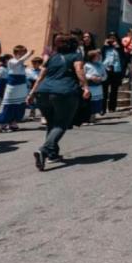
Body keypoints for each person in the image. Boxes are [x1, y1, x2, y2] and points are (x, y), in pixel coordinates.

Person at [26, 33, 89, 170]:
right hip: (64, 92)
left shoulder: (52, 58)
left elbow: (41, 76)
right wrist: (85, 87)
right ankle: (44, 150)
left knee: (51, 123)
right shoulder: (76, 56)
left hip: (43, 92)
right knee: (61, 123)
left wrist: (32, 93)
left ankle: (52, 154)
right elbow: (79, 70)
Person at [0, 45, 34, 132]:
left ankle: (13, 123)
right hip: (13, 86)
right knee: (9, 105)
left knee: (20, 104)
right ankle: (3, 124)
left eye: (24, 52)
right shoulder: (11, 61)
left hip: (21, 86)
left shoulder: (21, 63)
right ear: (17, 53)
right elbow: (18, 62)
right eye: (22, 52)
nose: (24, 54)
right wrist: (29, 54)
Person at [101, 33, 125, 114]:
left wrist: (118, 47)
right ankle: (103, 108)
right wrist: (104, 46)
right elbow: (101, 55)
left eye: (114, 38)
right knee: (104, 90)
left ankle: (112, 107)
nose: (112, 40)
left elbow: (123, 57)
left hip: (116, 70)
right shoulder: (105, 47)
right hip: (106, 69)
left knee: (114, 90)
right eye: (110, 38)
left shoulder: (119, 47)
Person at [84, 50, 107, 124]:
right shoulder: (87, 65)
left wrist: (101, 78)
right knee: (89, 102)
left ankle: (93, 118)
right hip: (90, 86)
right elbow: (84, 74)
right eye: (97, 56)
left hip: (98, 87)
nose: (99, 57)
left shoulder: (100, 65)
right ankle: (86, 118)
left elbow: (105, 75)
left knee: (96, 102)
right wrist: (91, 77)